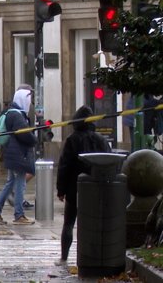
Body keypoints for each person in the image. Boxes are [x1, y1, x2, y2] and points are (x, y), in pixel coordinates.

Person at [55, 105, 111, 267]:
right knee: (93, 224)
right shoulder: (101, 140)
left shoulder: (72, 140)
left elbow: (64, 166)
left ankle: (64, 257)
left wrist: (61, 190)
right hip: (96, 189)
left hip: (75, 189)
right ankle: (94, 256)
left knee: (69, 223)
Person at [0, 87, 37, 225]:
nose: (29, 103)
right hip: (18, 156)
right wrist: (34, 139)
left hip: (12, 154)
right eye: (28, 100)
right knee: (19, 184)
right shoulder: (17, 115)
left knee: (10, 184)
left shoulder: (11, 112)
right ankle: (19, 215)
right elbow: (24, 133)